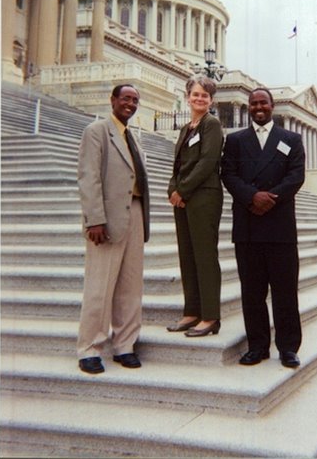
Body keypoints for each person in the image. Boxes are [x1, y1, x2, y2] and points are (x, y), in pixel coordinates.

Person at [221, 88, 305, 368]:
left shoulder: (291, 139)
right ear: (248, 107)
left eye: (263, 103)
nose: (258, 107)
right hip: (247, 225)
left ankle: (288, 347)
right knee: (252, 292)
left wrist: (270, 199)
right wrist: (251, 197)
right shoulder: (234, 140)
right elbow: (228, 174)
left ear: (272, 106)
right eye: (254, 103)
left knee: (285, 291)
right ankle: (257, 346)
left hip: (279, 225)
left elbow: (296, 176)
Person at [76, 84, 150, 374]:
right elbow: (88, 176)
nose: (130, 104)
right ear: (113, 101)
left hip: (135, 212)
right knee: (100, 285)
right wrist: (94, 219)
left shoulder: (133, 137)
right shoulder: (97, 132)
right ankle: (90, 347)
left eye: (134, 100)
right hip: (106, 217)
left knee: (131, 285)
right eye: (125, 99)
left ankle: (125, 344)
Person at [167, 76, 224, 337]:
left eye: (205, 95)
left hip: (204, 197)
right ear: (187, 96)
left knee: (204, 256)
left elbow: (207, 162)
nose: (199, 98)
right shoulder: (186, 128)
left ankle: (210, 316)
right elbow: (178, 164)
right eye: (196, 94)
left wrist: (183, 190)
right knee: (187, 256)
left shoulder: (211, 125)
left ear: (211, 100)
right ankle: (191, 312)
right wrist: (172, 189)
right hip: (184, 198)